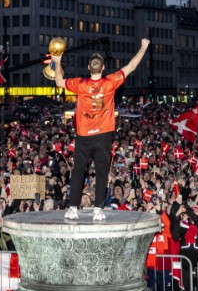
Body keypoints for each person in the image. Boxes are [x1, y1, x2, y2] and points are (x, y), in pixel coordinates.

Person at [51, 38, 150, 220]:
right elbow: (132, 66)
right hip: (103, 135)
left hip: (83, 135)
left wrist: (57, 62)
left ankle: (73, 208)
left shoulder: (80, 84)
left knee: (78, 170)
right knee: (102, 171)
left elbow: (58, 81)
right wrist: (143, 47)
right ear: (103, 68)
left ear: (89, 68)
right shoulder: (110, 82)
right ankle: (98, 209)